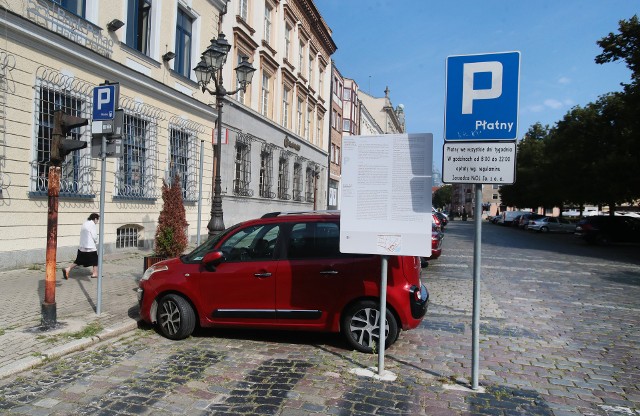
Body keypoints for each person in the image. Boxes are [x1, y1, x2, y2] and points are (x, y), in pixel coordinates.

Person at [62, 213, 100, 279]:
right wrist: (96, 240)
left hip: (82, 246)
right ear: (95, 219)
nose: (97, 222)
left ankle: (67, 269)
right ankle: (95, 273)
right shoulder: (92, 224)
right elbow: (94, 236)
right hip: (90, 246)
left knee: (79, 260)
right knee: (95, 259)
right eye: (97, 220)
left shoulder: (85, 223)